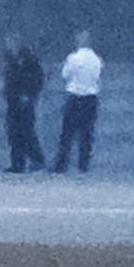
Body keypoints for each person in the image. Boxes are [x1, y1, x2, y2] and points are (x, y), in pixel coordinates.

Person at [54, 30, 104, 173]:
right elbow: (97, 77)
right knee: (86, 133)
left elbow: (65, 75)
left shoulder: (73, 58)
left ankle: (61, 164)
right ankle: (84, 164)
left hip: (75, 96)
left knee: (67, 133)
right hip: (90, 98)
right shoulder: (96, 59)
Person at [1, 37, 47, 173]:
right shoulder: (11, 61)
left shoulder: (29, 61)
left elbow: (36, 79)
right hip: (13, 101)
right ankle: (18, 163)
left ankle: (37, 160)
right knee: (14, 133)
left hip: (24, 101)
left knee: (26, 132)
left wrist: (29, 94)